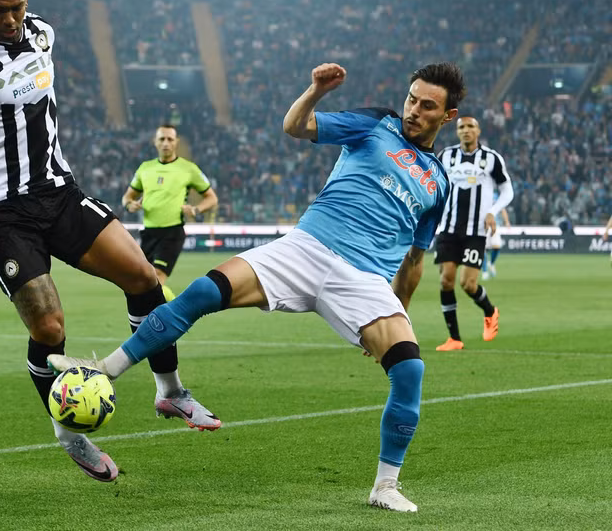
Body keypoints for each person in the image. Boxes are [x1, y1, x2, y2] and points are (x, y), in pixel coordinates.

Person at [50, 61, 466, 512]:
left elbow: (414, 259)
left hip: (364, 282)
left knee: (409, 371)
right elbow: (295, 126)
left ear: (447, 116)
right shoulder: (376, 123)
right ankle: (104, 369)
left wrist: (395, 310)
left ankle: (385, 486)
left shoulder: (439, 183)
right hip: (306, 247)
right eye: (412, 99)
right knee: (203, 293)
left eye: (427, 106)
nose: (414, 111)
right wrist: (315, 90)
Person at [0, 0, 219, 484]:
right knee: (49, 326)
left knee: (143, 277)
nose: (11, 19)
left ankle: (170, 392)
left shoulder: (43, 34)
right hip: (1, 212)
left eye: (17, 7)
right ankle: (69, 434)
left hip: (59, 194)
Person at [433, 117, 513, 351]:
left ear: (478, 130)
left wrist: (493, 211)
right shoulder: (446, 156)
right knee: (446, 279)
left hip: (476, 231)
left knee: (468, 284)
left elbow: (507, 190)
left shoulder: (491, 158)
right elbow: (433, 185)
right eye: (461, 127)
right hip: (448, 227)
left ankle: (490, 311)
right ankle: (454, 339)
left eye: (470, 127)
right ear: (457, 132)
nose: (466, 131)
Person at [122, 124, 218, 301]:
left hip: (172, 232)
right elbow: (127, 197)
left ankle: (173, 312)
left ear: (176, 142)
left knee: (157, 277)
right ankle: (161, 314)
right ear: (155, 142)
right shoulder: (145, 168)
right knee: (141, 281)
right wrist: (130, 205)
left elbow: (211, 198)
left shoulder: (188, 169)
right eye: (162, 139)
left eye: (170, 139)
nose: (166, 143)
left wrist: (196, 209)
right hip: (148, 232)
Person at [482, 207, 510, 280]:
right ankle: (485, 272)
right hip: (483, 225)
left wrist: (506, 221)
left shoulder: (496, 196)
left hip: (495, 225)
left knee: (497, 246)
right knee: (482, 248)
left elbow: (502, 209)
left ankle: (491, 263)